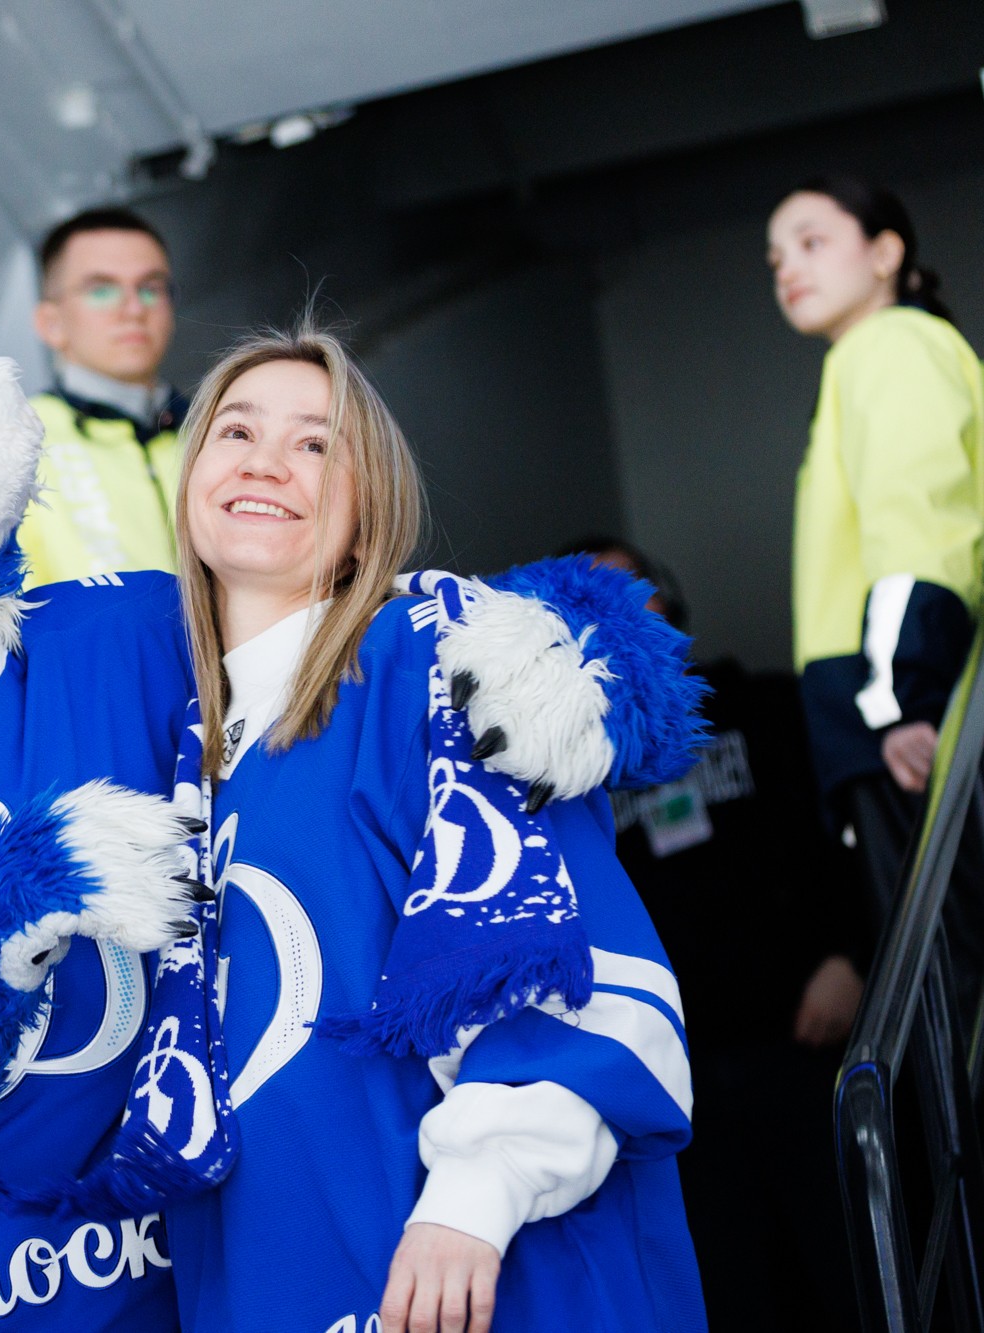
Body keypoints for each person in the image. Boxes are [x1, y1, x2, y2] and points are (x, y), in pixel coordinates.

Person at [51, 326, 707, 1333]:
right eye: (236, 431)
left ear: (367, 516)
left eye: (316, 444)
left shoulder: (435, 668)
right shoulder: (185, 761)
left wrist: (471, 1201)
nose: (266, 461)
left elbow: (592, 975)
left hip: (478, 1285)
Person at [565, 535, 867, 1331]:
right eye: (589, 603)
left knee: (845, 1272)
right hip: (672, 1084)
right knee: (730, 1290)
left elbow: (846, 842)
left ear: (670, 603)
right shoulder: (567, 768)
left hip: (800, 1041)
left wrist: (851, 956)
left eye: (633, 591)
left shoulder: (765, 708)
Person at [768, 176, 984, 913]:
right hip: (928, 692)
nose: (788, 269)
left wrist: (899, 699)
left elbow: (918, 521)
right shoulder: (888, 352)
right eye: (777, 258)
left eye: (812, 242)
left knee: (960, 954)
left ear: (885, 253)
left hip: (914, 710)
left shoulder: (890, 346)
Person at [18, 208, 186, 587]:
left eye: (151, 288)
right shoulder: (14, 445)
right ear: (51, 323)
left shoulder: (219, 434)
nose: (134, 309)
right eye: (102, 290)